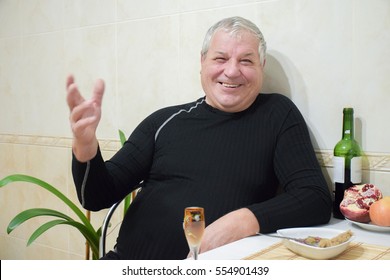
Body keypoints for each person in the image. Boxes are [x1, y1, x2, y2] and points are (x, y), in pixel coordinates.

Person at [66, 16, 332, 260]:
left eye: (246, 61)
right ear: (202, 62)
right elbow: (96, 197)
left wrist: (243, 220)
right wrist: (86, 146)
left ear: (261, 67)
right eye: (220, 59)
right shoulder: (164, 121)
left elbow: (314, 198)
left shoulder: (276, 115)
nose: (231, 71)